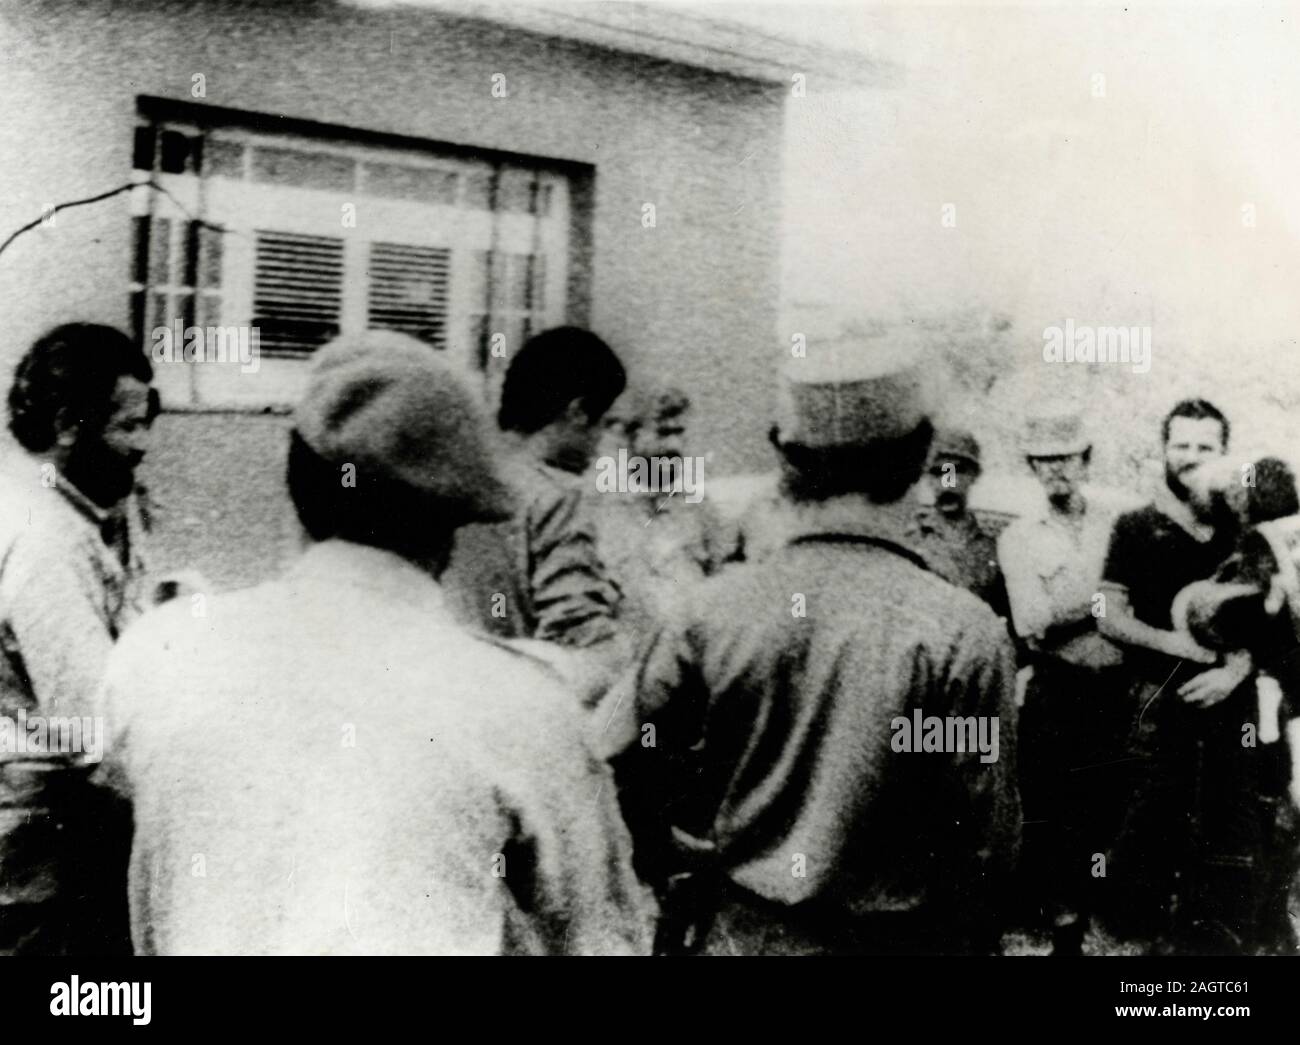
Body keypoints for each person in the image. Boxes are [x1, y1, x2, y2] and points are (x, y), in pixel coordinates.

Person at [94, 330, 654, 955]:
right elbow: (597, 937)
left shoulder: (160, 651)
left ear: (297, 490)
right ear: (457, 516)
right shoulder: (524, 706)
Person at [594, 338, 1021, 955]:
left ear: (785, 457)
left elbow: (609, 757)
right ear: (920, 455)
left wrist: (671, 857)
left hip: (740, 935)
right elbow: (983, 843)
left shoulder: (709, 612)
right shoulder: (960, 633)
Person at [0, 322, 158, 955]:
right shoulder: (47, 537)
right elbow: (90, 723)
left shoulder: (55, 505)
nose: (143, 445)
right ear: (68, 424)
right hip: (41, 846)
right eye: (128, 426)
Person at [1098, 398, 1261, 953]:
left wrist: (1237, 668)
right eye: (1181, 444)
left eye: (1205, 447)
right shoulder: (1136, 526)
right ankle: (1136, 941)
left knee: (1227, 826)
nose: (1191, 457)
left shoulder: (1244, 532)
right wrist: (1176, 644)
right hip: (1156, 701)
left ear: (1225, 453)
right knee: (1149, 823)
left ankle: (1209, 945)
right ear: (1164, 449)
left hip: (1230, 704)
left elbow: (1273, 617)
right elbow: (1107, 615)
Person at [996, 413, 1125, 954]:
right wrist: (1106, 601)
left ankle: (1109, 914)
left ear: (1085, 461)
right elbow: (1034, 621)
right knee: (1055, 811)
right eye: (1043, 460)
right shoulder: (1019, 537)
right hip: (1059, 688)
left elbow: (1142, 598)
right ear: (1032, 467)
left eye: (1066, 458)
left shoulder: (1118, 526)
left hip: (1120, 688)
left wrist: (1092, 606)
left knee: (1112, 803)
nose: (1055, 470)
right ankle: (1064, 927)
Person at [441, 326, 624, 657]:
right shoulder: (557, 497)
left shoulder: (451, 477)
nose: (601, 443)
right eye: (605, 423)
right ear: (578, 412)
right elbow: (576, 631)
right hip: (513, 678)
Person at [588, 385, 732, 638]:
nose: (675, 445)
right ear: (628, 437)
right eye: (663, 433)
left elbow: (724, 590)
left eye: (679, 432)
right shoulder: (596, 510)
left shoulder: (699, 508)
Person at [912, 428, 1010, 619]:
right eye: (937, 472)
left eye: (957, 471)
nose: (947, 484)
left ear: (975, 475)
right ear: (926, 477)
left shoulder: (998, 543)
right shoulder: (911, 539)